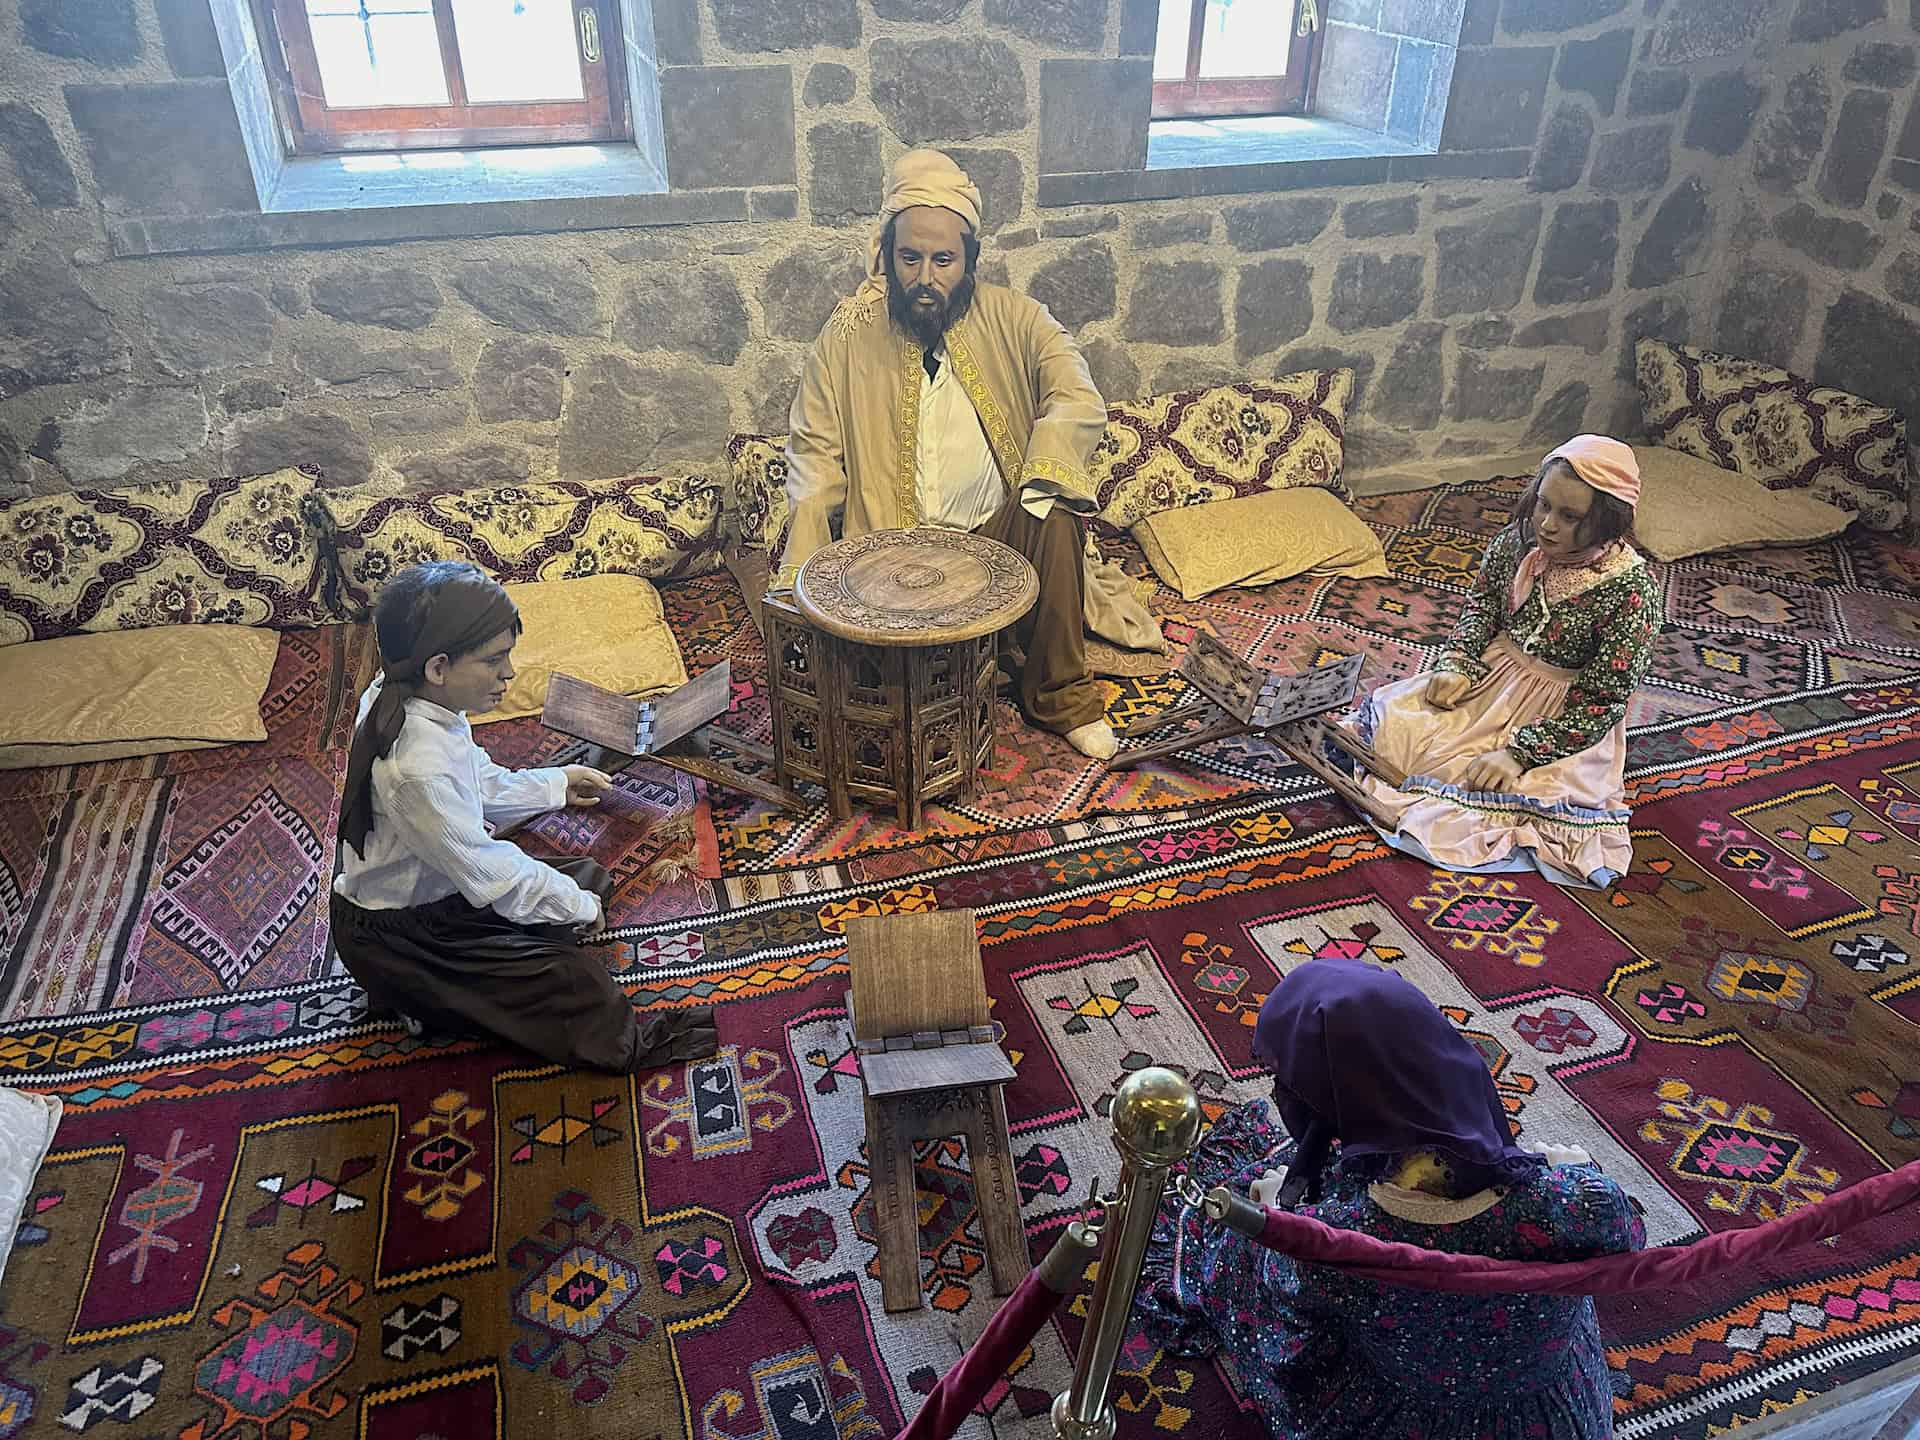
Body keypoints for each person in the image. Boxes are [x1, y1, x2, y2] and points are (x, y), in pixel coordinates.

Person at [1135, 958, 1644, 1440]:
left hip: (1396, 1423)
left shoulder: (1330, 1241)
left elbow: (1285, 1329)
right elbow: (1628, 1239)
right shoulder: (1575, 1205)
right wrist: (1577, 1170)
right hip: (1555, 1420)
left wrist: (1278, 1220)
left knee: (1243, 1243)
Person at [770, 148, 1160, 762]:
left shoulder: (1017, 317)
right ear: (886, 255)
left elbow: (1075, 395)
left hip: (991, 542)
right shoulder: (846, 335)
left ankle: (1060, 697)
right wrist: (806, 569)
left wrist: (1042, 463)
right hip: (891, 556)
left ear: (970, 259)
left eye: (943, 259)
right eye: (910, 258)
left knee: (1056, 513)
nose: (926, 277)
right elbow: (814, 452)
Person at [331, 560, 717, 1073]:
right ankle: (421, 997)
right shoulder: (415, 770)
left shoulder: (410, 695)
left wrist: (556, 785)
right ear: (438, 668)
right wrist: (578, 911)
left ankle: (459, 992)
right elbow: (490, 874)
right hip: (404, 939)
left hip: (438, 899)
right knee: (577, 985)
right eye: (494, 661)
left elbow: (478, 780)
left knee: (585, 879)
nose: (509, 674)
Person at [1342, 434, 1661, 889]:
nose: (1547, 525)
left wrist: (1518, 753)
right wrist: (1459, 661)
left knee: (1492, 786)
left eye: (1570, 517)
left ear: (1607, 523)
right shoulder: (1519, 543)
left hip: (1560, 714)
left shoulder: (1633, 594)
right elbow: (1484, 604)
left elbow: (1603, 699)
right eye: (1543, 505)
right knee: (1403, 733)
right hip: (1493, 678)